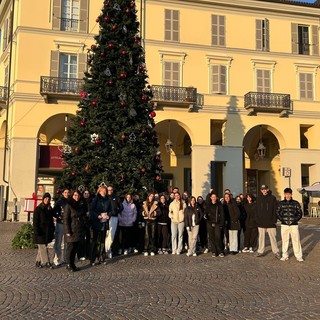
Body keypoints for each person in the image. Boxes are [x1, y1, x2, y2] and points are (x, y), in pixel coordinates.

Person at [276, 188, 304, 262]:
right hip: (284, 225)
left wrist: (295, 220)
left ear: (291, 194)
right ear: (284, 194)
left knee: (296, 240)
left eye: (289, 194)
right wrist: (282, 219)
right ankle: (284, 255)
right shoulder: (281, 203)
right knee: (285, 240)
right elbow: (277, 213)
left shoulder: (296, 203)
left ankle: (298, 256)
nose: (288, 195)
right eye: (286, 194)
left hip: (294, 225)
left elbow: (300, 213)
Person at [255, 185, 280, 259]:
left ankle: (276, 251)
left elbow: (275, 209)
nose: (264, 190)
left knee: (273, 238)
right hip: (261, 222)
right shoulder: (258, 198)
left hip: (270, 222)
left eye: (265, 189)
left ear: (267, 189)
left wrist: (274, 220)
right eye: (262, 189)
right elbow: (256, 210)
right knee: (261, 238)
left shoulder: (272, 198)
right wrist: (257, 219)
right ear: (261, 190)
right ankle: (260, 251)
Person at [64, 190, 87, 272]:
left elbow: (83, 216)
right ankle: (68, 264)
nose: (76, 197)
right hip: (71, 230)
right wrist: (67, 231)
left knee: (75, 248)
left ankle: (72, 263)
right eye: (75, 195)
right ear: (72, 196)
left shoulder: (80, 205)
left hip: (78, 229)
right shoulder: (68, 205)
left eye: (78, 195)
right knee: (70, 248)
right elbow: (66, 219)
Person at [33, 193, 55, 268]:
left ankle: (38, 262)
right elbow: (35, 221)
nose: (47, 200)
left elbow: (51, 220)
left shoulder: (49, 208)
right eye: (46, 198)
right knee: (43, 247)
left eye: (48, 199)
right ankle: (46, 262)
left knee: (42, 247)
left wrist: (52, 229)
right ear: (43, 199)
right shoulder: (38, 209)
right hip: (40, 232)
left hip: (47, 232)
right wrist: (36, 231)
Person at [90, 185, 110, 265]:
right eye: (102, 191)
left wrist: (109, 215)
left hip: (104, 223)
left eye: (105, 191)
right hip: (96, 223)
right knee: (95, 241)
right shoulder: (96, 199)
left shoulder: (108, 199)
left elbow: (111, 210)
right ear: (99, 191)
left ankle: (102, 257)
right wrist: (97, 215)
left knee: (102, 241)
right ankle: (93, 259)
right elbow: (91, 210)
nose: (104, 192)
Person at [52, 188, 70, 266]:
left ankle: (66, 258)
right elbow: (53, 211)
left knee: (67, 242)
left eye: (68, 192)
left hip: (68, 224)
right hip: (60, 224)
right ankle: (57, 259)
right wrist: (58, 216)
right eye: (65, 192)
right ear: (63, 193)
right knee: (58, 242)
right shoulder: (59, 202)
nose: (67, 194)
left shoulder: (70, 201)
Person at [105, 185, 123, 259]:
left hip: (114, 218)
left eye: (111, 190)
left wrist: (116, 211)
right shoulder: (104, 198)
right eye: (108, 190)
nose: (110, 191)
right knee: (106, 234)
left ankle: (108, 249)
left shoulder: (116, 197)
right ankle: (106, 250)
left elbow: (121, 207)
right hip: (106, 217)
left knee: (111, 235)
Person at [204, 193, 225, 257]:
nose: (214, 198)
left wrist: (221, 223)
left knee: (218, 237)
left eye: (215, 197)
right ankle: (214, 251)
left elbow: (222, 214)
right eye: (212, 197)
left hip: (217, 223)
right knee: (211, 238)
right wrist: (205, 215)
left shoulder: (219, 205)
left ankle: (220, 251)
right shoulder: (208, 204)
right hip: (209, 223)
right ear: (210, 198)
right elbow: (206, 212)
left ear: (216, 198)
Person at [77, 189, 92, 260]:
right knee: (82, 239)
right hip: (82, 222)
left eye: (88, 193)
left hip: (89, 222)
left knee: (89, 239)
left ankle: (88, 254)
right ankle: (81, 254)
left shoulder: (91, 201)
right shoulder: (80, 202)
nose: (86, 194)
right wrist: (84, 214)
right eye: (85, 193)